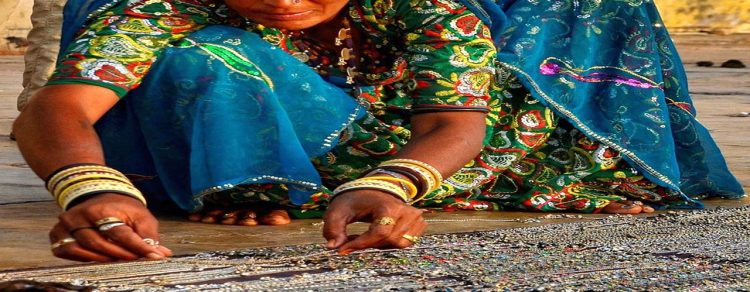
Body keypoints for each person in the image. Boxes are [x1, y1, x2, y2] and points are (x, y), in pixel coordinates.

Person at [13, 0, 744, 263]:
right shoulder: (158, 6)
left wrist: (387, 184)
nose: (283, 0)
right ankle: (256, 180)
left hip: (387, 132)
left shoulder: (428, 8)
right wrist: (89, 190)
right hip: (251, 130)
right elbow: (60, 108)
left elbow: (453, 122)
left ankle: (327, 186)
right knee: (206, 56)